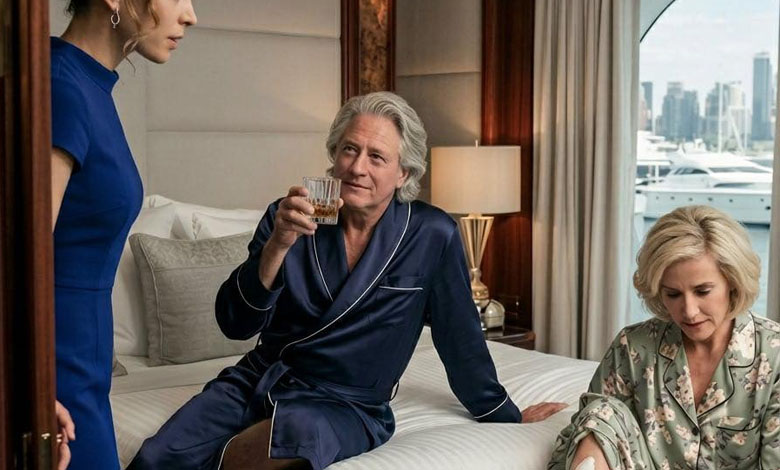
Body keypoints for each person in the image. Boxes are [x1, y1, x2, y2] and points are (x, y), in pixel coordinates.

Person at [129, 91, 566, 470]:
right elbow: (235, 324)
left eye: (377, 157)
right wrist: (278, 245)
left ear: (404, 173)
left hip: (348, 403)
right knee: (157, 457)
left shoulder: (432, 234)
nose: (357, 167)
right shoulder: (288, 217)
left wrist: (504, 414)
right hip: (259, 378)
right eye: (349, 150)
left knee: (274, 449)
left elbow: (460, 338)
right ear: (334, 156)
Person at [50, 0, 196, 468]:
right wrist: (28, 390)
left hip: (83, 365)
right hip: (51, 371)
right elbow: (12, 262)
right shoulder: (60, 86)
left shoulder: (90, 85)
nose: (190, 15)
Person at [548, 205, 780, 470]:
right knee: (600, 413)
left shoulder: (774, 355)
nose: (689, 311)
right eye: (673, 294)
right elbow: (591, 426)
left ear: (733, 283)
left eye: (702, 291)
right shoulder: (633, 347)